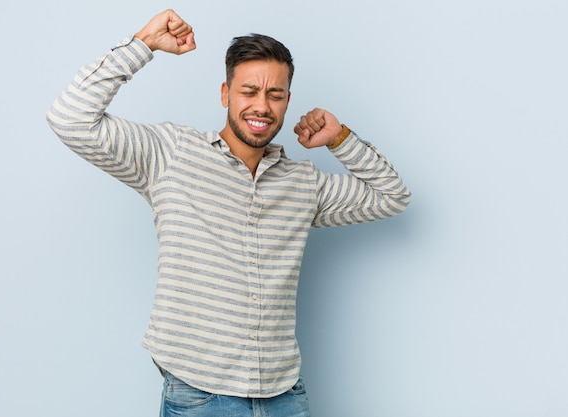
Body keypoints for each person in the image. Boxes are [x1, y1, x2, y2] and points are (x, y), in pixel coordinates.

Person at [47, 8, 411, 417]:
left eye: (275, 95)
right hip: (200, 395)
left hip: (285, 395)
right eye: (249, 91)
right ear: (225, 94)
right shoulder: (170, 154)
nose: (262, 106)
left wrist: (340, 139)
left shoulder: (304, 184)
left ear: (288, 101)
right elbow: (70, 119)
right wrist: (143, 44)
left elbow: (392, 196)